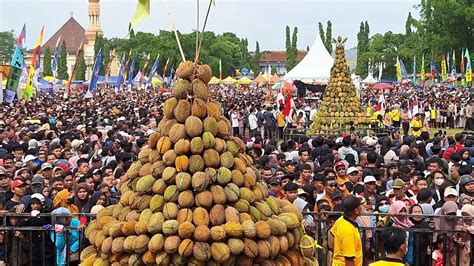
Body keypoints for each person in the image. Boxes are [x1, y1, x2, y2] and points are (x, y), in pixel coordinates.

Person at [330, 195, 363, 266]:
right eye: (360, 206)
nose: (361, 208)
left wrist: (337, 252)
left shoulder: (341, 219)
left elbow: (331, 235)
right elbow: (349, 259)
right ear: (356, 210)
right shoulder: (348, 230)